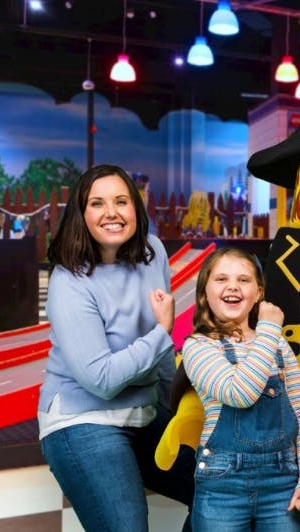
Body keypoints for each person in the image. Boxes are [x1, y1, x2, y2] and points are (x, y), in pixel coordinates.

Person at [37, 164, 195, 532]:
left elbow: (162, 360)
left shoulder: (153, 250)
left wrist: (182, 411)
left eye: (122, 201)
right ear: (81, 214)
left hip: (144, 415)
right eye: (98, 203)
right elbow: (102, 380)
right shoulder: (69, 281)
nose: (112, 213)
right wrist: (161, 332)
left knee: (220, 491)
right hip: (82, 421)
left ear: (135, 209)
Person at [181, 247, 300, 532]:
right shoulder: (198, 346)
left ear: (258, 293)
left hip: (282, 483)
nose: (232, 286)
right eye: (221, 279)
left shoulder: (278, 346)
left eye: (243, 280)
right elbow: (239, 394)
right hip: (223, 485)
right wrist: (268, 330)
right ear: (204, 291)